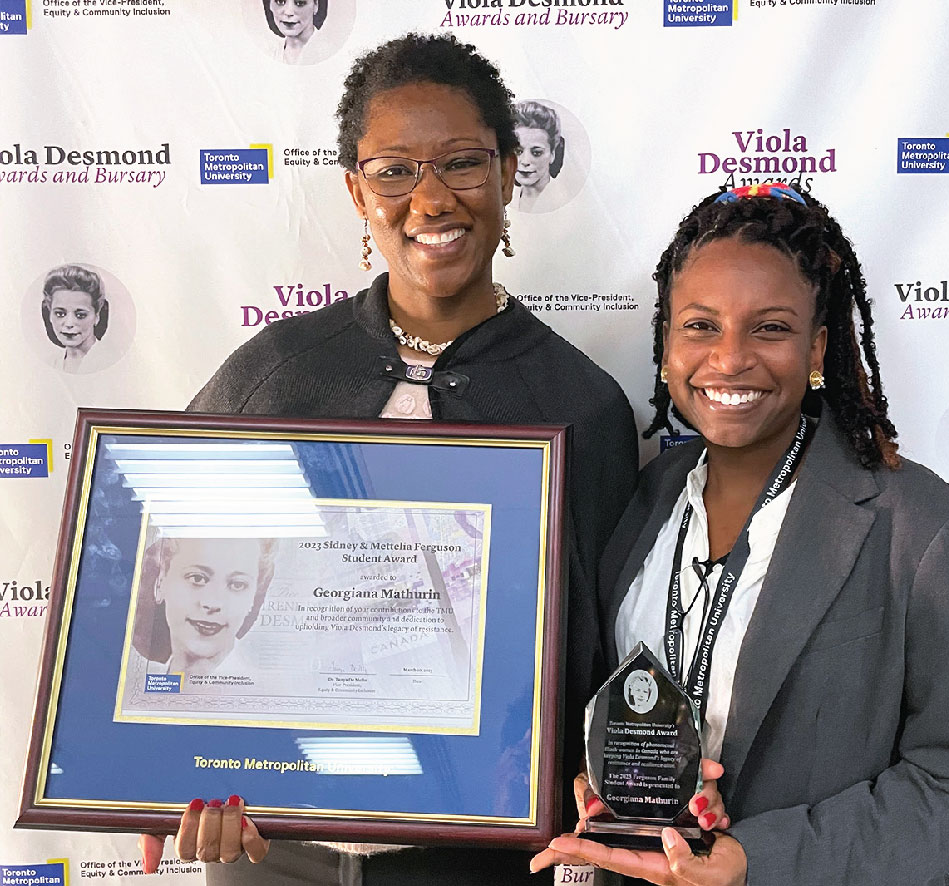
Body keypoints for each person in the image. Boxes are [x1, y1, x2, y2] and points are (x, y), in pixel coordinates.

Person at [138, 33, 640, 886]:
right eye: (394, 169)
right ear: (354, 189)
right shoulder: (277, 373)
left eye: (461, 163)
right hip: (271, 848)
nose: (431, 198)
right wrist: (149, 773)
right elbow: (161, 574)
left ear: (511, 169)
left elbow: (598, 657)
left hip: (473, 855)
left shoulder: (577, 405)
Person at [531, 184, 949, 886]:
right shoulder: (644, 497)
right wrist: (609, 776)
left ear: (817, 345)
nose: (729, 359)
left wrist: (754, 860)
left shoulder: (928, 531)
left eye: (768, 328)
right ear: (666, 340)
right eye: (699, 326)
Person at [131, 536, 276, 676]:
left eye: (237, 584)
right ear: (161, 582)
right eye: (197, 578)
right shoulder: (141, 678)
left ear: (253, 597)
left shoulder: (262, 686)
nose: (212, 603)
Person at [40, 263, 110, 374]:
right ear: (50, 315)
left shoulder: (109, 362)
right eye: (60, 314)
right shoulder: (49, 364)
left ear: (97, 316)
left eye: (80, 315)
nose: (69, 323)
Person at [512, 100, 565, 212]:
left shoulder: (562, 200)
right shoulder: (506, 200)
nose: (525, 161)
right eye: (518, 151)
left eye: (536, 153)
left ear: (552, 154)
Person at [262, 0, 332, 65]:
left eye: (300, 3)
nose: (288, 12)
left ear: (316, 5)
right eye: (280, 1)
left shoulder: (328, 52)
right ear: (270, 5)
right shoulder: (268, 54)